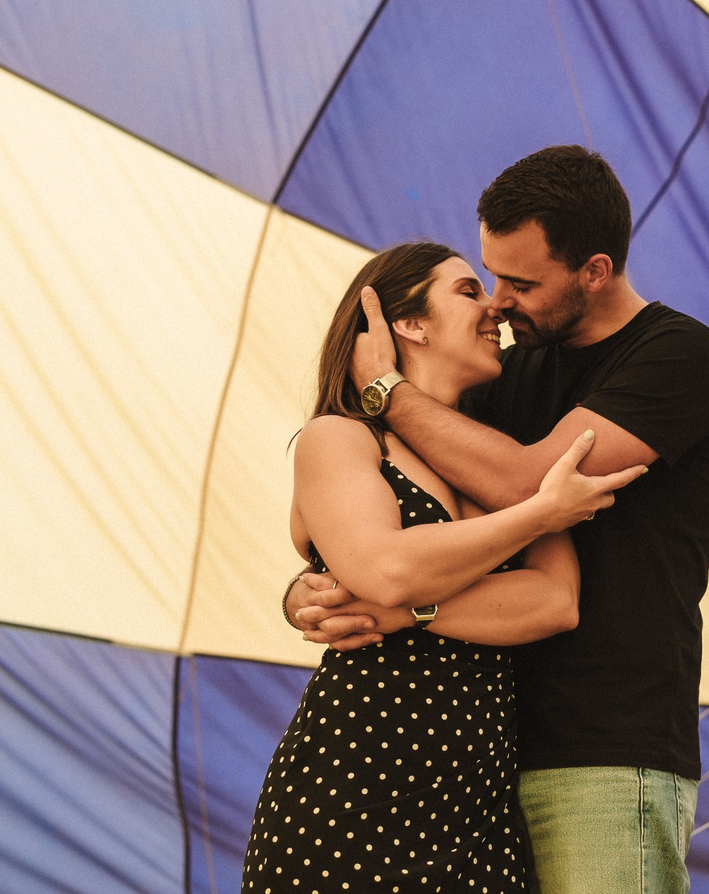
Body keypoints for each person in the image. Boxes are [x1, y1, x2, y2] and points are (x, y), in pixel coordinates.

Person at [288, 146, 709, 894]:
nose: (499, 300)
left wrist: (385, 389)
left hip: (603, 749)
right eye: (488, 278)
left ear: (593, 270)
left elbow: (527, 486)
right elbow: (381, 514)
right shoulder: (506, 375)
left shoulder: (676, 354)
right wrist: (309, 587)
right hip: (479, 769)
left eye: (521, 281)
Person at [240, 239, 644, 893]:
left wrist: (407, 610)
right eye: (467, 290)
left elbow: (554, 601)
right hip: (348, 797)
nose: (493, 308)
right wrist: (540, 512)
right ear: (410, 322)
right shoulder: (340, 437)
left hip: (478, 815)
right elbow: (387, 568)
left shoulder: (496, 461)